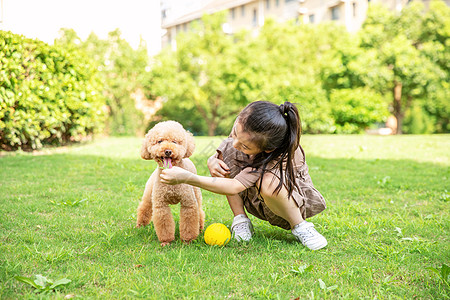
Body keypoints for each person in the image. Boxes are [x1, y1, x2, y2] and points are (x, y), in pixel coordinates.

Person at [160, 101, 327, 250]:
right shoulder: (243, 137)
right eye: (234, 133)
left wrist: (187, 177)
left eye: (245, 146)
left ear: (267, 149)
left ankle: (300, 226)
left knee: (267, 182)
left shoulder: (281, 154)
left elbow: (234, 186)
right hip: (257, 198)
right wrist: (213, 159)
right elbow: (234, 145)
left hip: (288, 202)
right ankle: (240, 219)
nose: (234, 143)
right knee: (227, 155)